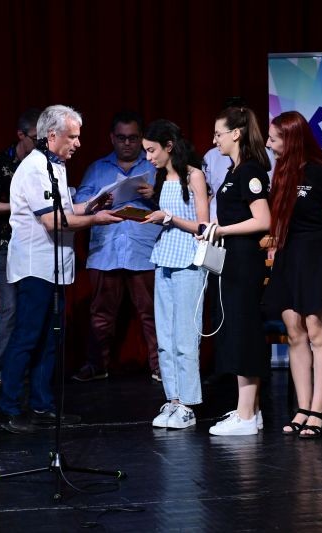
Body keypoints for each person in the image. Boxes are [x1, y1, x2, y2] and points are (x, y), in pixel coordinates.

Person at [0, 105, 121, 433]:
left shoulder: (56, 166)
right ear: (52, 135)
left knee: (50, 339)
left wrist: (90, 206)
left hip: (54, 267)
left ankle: (42, 405)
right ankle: (8, 408)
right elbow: (52, 221)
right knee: (28, 336)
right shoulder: (35, 168)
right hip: (35, 266)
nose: (78, 143)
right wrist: (94, 220)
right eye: (73, 136)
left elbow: (63, 209)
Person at [262, 111, 322, 439]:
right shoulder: (282, 171)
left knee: (317, 331)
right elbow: (280, 218)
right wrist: (274, 245)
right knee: (294, 332)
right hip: (289, 256)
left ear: (292, 139)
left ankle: (318, 411)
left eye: (274, 138)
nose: (269, 144)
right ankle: (302, 408)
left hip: (316, 255)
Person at [72, 111, 162, 382]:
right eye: (121, 138)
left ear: (141, 138)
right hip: (106, 250)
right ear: (112, 138)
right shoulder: (97, 168)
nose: (127, 143)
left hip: (144, 250)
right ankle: (97, 365)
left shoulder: (155, 166)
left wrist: (154, 195)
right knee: (101, 314)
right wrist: (98, 202)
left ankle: (161, 367)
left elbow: (178, 207)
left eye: (133, 138)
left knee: (151, 313)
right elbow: (79, 204)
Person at [205, 107, 272, 436]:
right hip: (231, 258)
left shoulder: (250, 171)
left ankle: (246, 416)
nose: (214, 139)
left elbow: (263, 220)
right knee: (234, 330)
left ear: (236, 133)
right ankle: (250, 411)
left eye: (218, 133)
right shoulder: (235, 171)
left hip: (244, 261)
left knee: (243, 330)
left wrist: (222, 230)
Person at [140, 119, 209, 429]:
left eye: (152, 150)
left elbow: (204, 226)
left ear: (169, 146)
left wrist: (169, 218)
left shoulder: (194, 175)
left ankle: (188, 404)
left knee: (185, 336)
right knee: (165, 338)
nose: (148, 157)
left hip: (189, 261)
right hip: (164, 258)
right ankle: (173, 398)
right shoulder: (160, 177)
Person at [0, 108, 41, 392]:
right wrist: (22, 205)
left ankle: (23, 369)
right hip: (6, 245)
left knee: (31, 308)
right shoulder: (0, 163)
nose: (39, 144)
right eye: (35, 138)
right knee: (9, 307)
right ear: (21, 135)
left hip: (36, 245)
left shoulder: (43, 164)